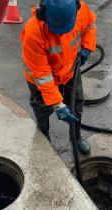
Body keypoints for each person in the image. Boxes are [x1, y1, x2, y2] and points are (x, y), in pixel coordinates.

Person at [21, 0, 97, 155]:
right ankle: (45, 142)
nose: (62, 33)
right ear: (43, 14)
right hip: (40, 79)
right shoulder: (33, 32)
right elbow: (42, 74)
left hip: (69, 71)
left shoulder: (81, 10)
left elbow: (90, 26)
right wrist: (57, 104)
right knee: (42, 109)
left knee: (76, 104)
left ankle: (76, 138)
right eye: (57, 29)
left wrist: (87, 48)